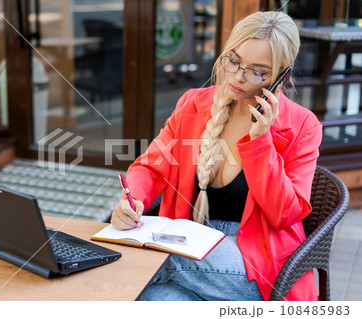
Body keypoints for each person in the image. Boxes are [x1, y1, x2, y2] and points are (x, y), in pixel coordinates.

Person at [111, 11, 322, 301]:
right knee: (153, 299)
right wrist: (132, 199)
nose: (237, 77)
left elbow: (285, 213)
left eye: (257, 71)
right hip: (193, 252)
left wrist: (261, 140)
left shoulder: (302, 126)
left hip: (256, 267)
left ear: (281, 76)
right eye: (234, 61)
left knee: (149, 255)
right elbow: (151, 166)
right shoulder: (193, 103)